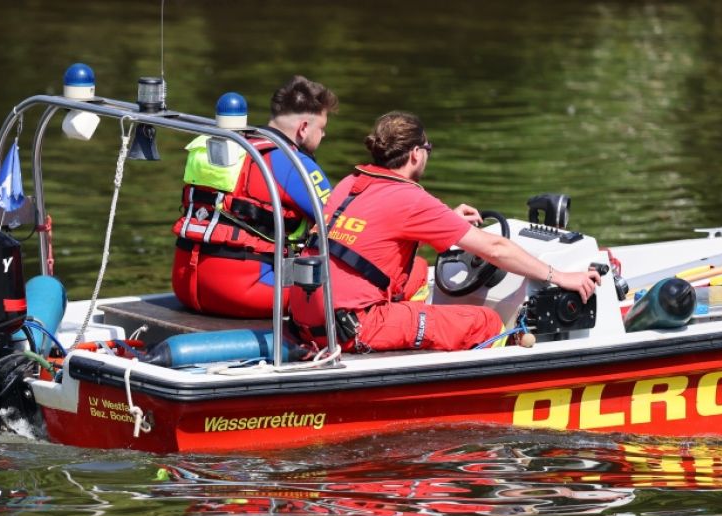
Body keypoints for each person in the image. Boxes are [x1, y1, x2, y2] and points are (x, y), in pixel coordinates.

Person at [288, 111, 601, 352]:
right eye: (428, 148)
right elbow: (495, 249)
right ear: (415, 154)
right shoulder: (410, 199)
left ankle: (418, 331)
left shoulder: (351, 183)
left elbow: (374, 232)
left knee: (417, 272)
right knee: (487, 322)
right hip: (351, 327)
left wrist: (445, 220)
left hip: (308, 318)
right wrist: (558, 276)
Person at [171, 76, 338, 318]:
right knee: (346, 286)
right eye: (321, 129)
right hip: (242, 293)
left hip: (185, 284)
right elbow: (335, 224)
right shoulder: (294, 163)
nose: (323, 136)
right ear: (303, 128)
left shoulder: (221, 145)